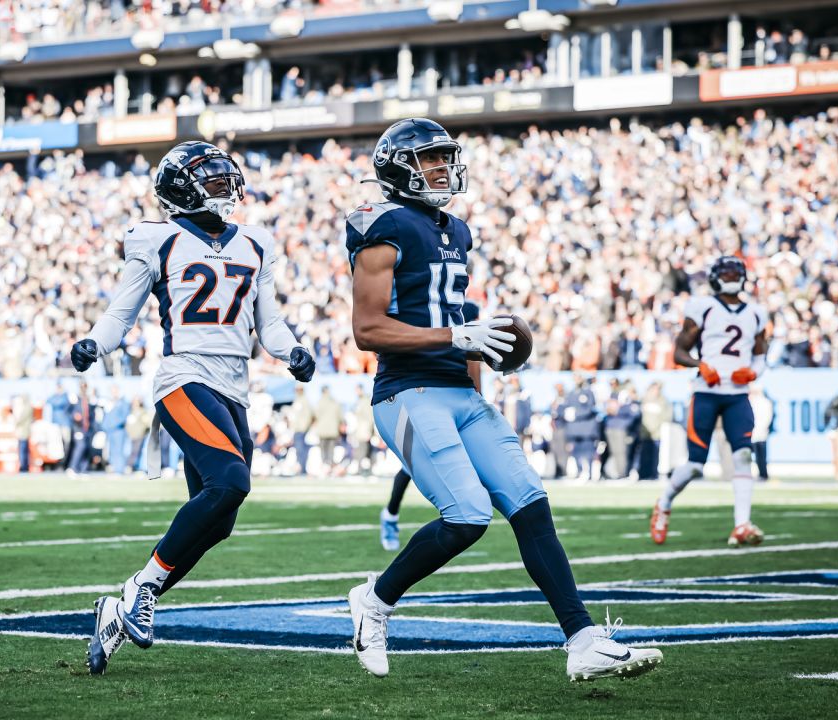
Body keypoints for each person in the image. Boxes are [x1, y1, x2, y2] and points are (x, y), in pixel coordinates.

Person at [343, 118, 660, 682]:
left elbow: (463, 320)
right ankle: (374, 600)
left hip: (459, 393)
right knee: (466, 517)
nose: (442, 168)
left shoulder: (456, 230)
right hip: (407, 394)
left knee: (530, 503)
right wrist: (453, 338)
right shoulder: (382, 224)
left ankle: (583, 639)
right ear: (397, 167)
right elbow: (367, 329)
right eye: (429, 159)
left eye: (445, 157)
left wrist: (477, 377)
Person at [73, 141, 315, 675]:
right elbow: (122, 311)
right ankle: (141, 587)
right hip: (183, 376)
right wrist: (95, 343)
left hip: (232, 387)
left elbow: (268, 322)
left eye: (226, 177)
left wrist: (291, 349)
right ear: (181, 189)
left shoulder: (256, 242)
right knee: (230, 482)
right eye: (211, 178)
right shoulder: (157, 240)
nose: (224, 187)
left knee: (220, 520)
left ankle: (122, 607)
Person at [651, 256, 768, 547]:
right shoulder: (702, 307)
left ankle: (742, 524)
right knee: (695, 464)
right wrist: (700, 365)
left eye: (734, 272)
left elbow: (761, 355)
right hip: (707, 392)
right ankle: (664, 502)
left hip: (737, 395)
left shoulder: (756, 312)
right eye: (725, 272)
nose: (730, 276)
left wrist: (753, 371)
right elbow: (679, 352)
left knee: (743, 456)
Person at [636, 382, 667, 481]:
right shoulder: (644, 400)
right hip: (645, 433)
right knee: (644, 454)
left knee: (655, 455)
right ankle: (643, 474)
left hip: (657, 434)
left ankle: (653, 475)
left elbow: (667, 416)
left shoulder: (663, 401)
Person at [748, 385, 773, 482]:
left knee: (759, 456)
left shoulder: (761, 402)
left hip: (757, 432)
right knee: (759, 456)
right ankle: (761, 474)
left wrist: (760, 428)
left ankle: (762, 474)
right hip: (758, 433)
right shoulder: (762, 402)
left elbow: (766, 418)